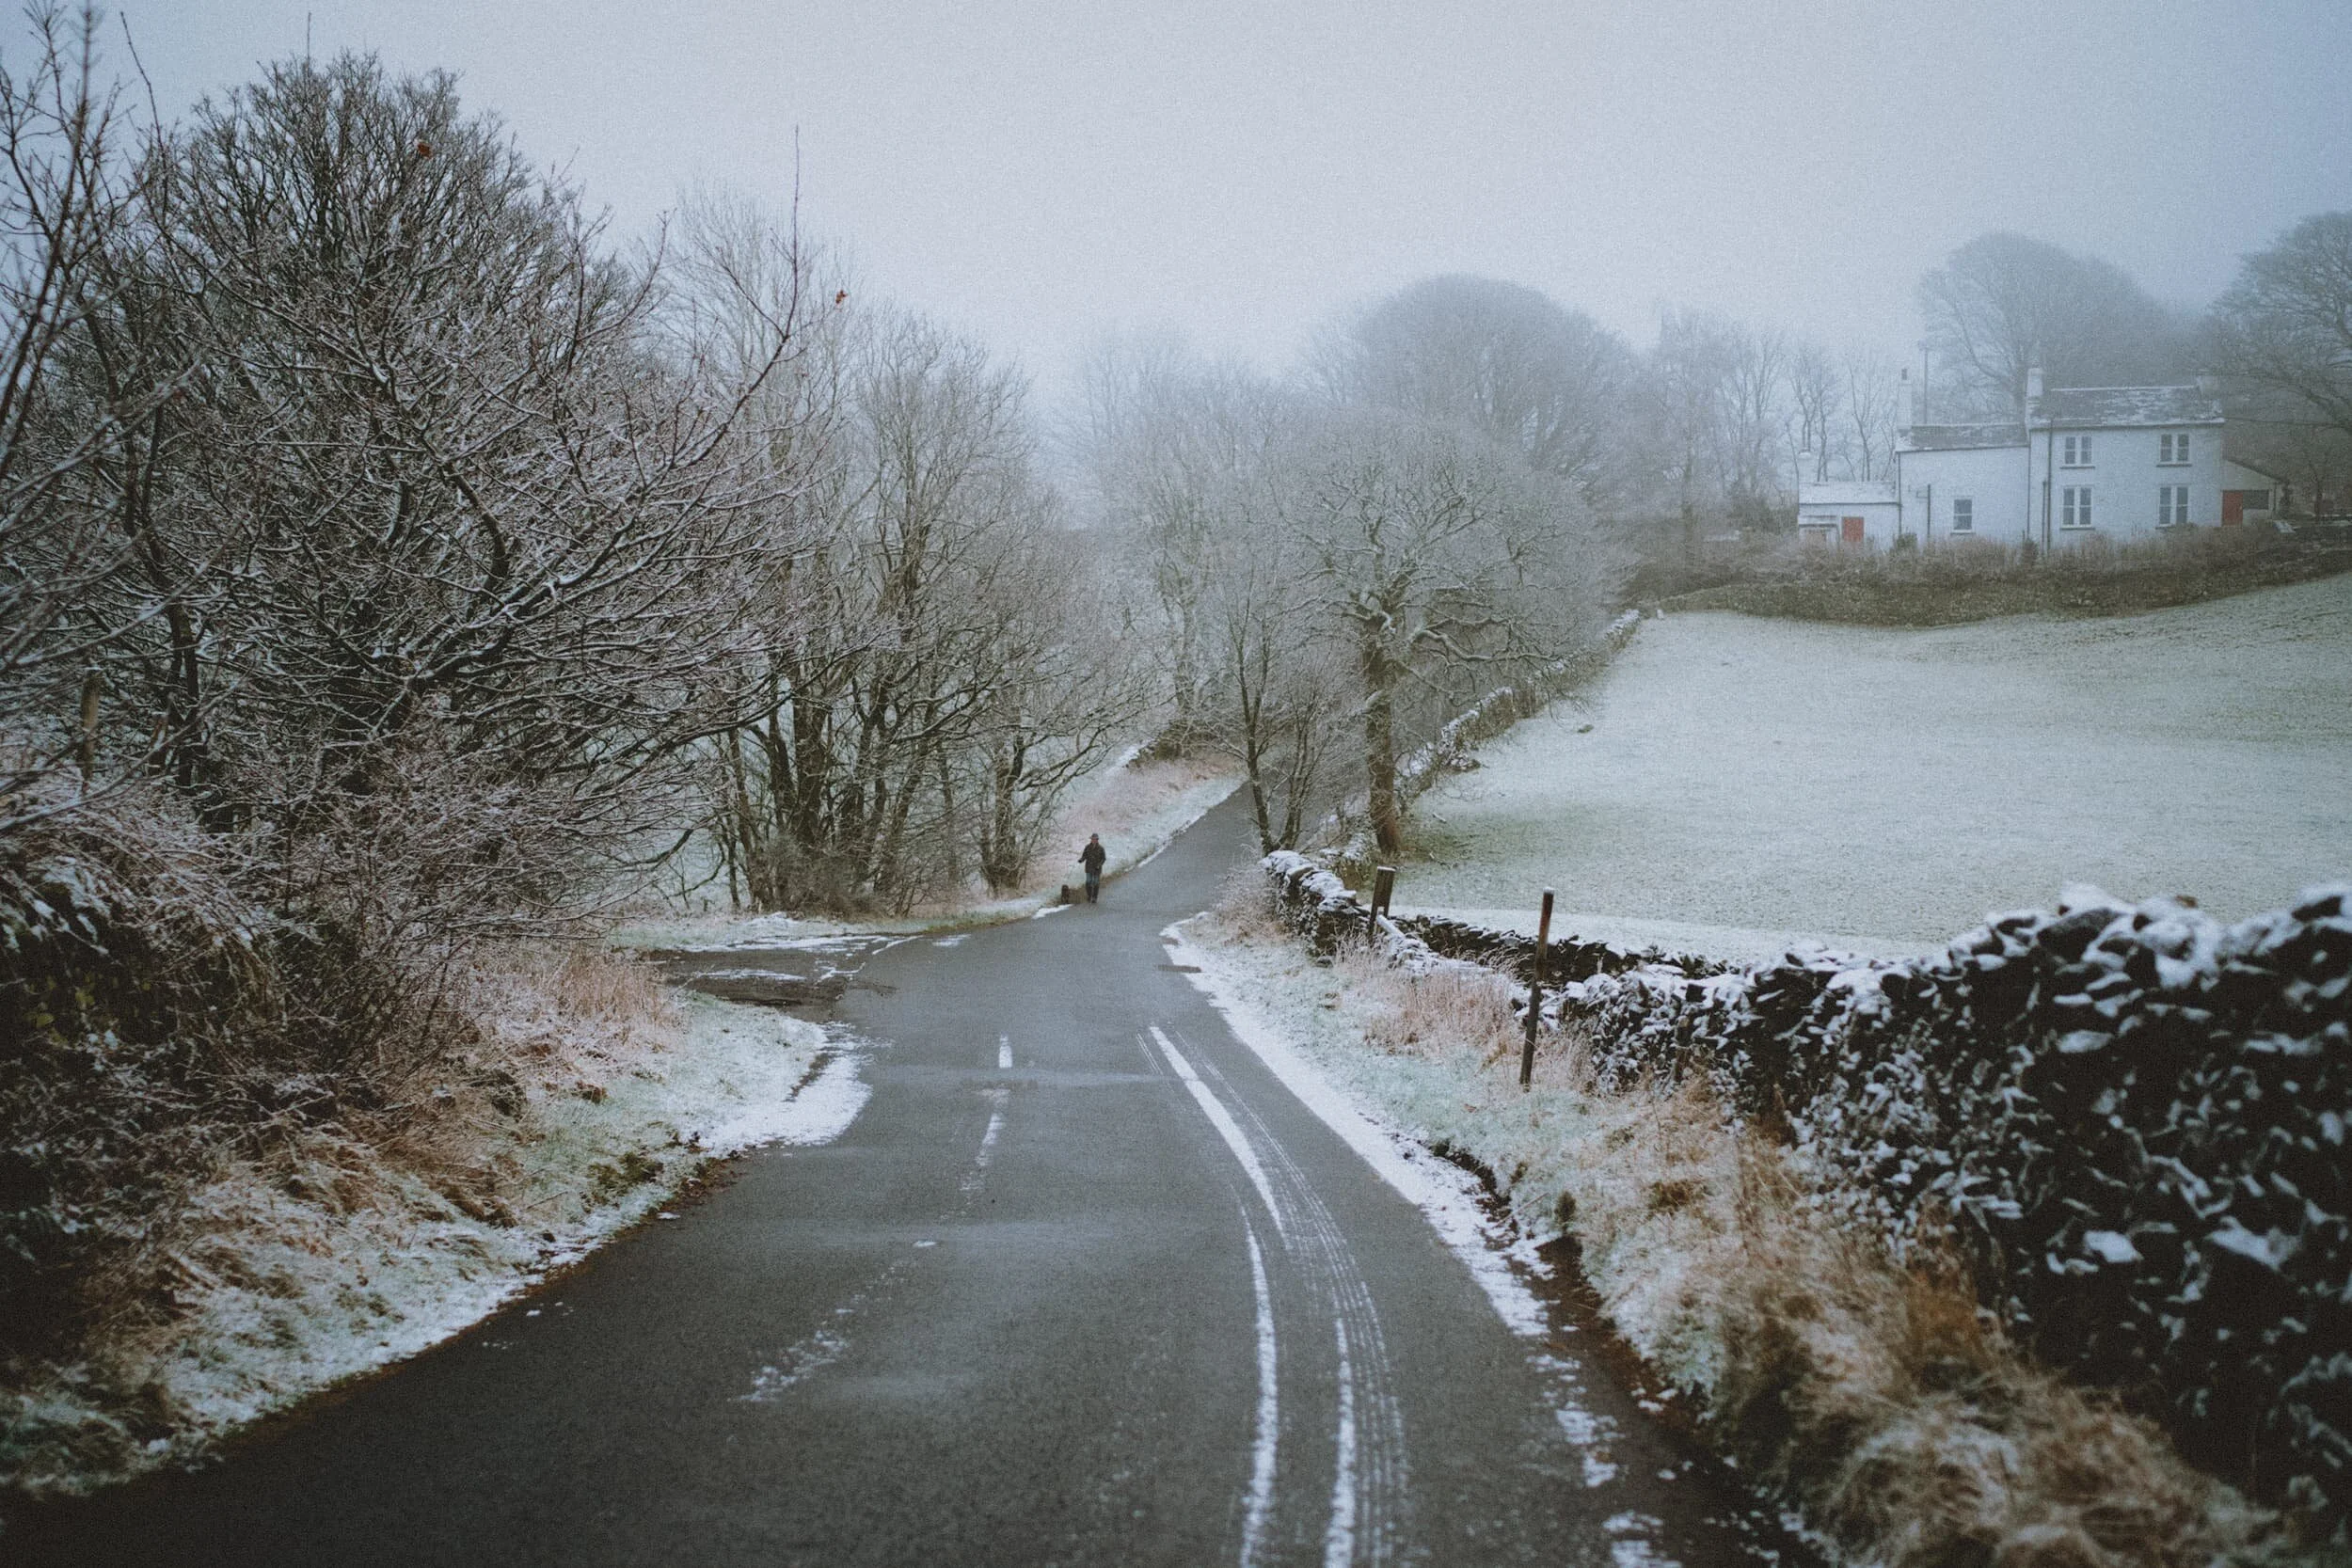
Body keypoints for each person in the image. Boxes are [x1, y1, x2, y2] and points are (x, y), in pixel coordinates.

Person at [1078, 833, 1107, 904]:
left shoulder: (1101, 848)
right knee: (1088, 882)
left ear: (1097, 840)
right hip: (1088, 868)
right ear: (1091, 840)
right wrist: (1081, 860)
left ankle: (1094, 897)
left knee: (1096, 883)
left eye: (1095, 839)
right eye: (1092, 839)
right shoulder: (1087, 847)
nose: (1093, 840)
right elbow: (1084, 855)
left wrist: (1099, 865)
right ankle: (1089, 896)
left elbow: (1103, 858)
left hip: (1097, 869)